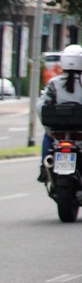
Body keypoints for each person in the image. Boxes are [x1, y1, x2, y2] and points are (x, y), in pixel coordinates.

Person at [37, 44, 82, 182]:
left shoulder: (54, 83)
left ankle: (44, 168)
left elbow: (40, 106)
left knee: (47, 138)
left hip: (58, 132)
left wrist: (49, 129)